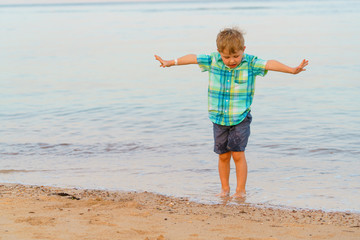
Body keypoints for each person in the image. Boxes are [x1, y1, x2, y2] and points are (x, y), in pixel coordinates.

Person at [154, 27, 308, 198]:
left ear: (244, 50)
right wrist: (170, 62)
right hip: (218, 117)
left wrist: (292, 70)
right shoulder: (213, 60)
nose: (231, 60)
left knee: (238, 153)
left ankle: (240, 190)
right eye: (226, 57)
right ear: (219, 52)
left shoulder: (250, 63)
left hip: (240, 117)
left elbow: (269, 63)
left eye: (236, 56)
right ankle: (224, 189)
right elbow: (192, 58)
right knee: (223, 156)